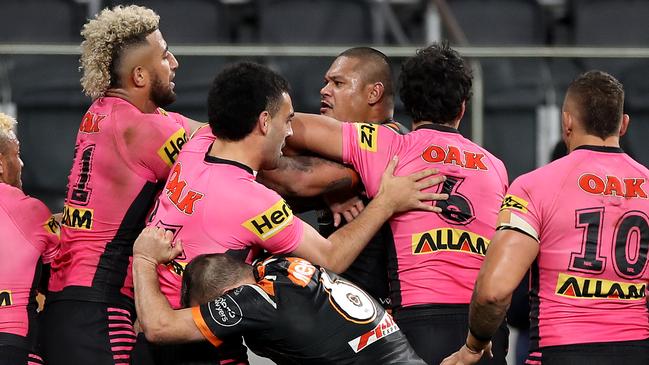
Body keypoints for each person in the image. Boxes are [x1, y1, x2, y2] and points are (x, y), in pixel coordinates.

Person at [150, 61, 446, 310]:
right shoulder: (255, 202)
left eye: (338, 83)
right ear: (264, 122)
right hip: (199, 330)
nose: (290, 131)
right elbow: (331, 255)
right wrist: (384, 199)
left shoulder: (196, 144)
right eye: (287, 120)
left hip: (152, 305)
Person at [286, 42, 510, 364]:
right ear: (462, 108)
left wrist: (335, 184)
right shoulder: (495, 166)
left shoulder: (386, 145)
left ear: (407, 101)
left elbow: (286, 127)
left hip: (419, 321)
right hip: (485, 327)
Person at [441, 70, 649, 365]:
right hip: (637, 351)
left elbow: (493, 292)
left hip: (561, 350)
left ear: (567, 121)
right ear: (623, 124)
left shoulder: (534, 186)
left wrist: (474, 346)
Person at [40, 5, 202, 365]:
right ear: (140, 75)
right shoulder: (144, 129)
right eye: (164, 55)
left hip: (67, 302)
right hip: (101, 308)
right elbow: (228, 156)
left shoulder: (102, 111)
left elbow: (204, 131)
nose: (174, 62)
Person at [132, 226, 427, 365]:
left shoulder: (256, 299)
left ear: (227, 295)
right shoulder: (279, 265)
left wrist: (144, 258)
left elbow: (159, 328)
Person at [0, 113, 59, 365]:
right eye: (16, 153)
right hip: (13, 342)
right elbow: (61, 270)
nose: (21, 164)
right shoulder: (30, 210)